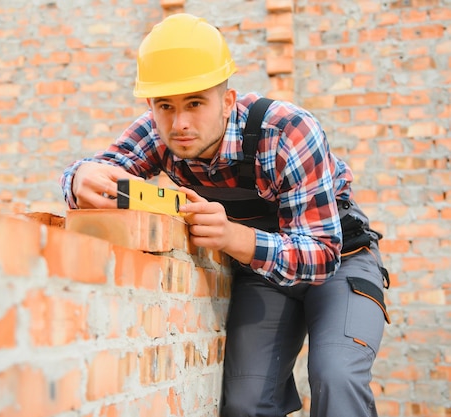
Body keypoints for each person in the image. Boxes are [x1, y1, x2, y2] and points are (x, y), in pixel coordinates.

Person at [60, 13, 390, 417]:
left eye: (196, 102)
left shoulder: (288, 130)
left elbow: (320, 254)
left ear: (227, 101)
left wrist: (233, 236)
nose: (180, 123)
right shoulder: (158, 129)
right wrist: (80, 177)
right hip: (263, 275)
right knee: (246, 402)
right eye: (165, 105)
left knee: (336, 376)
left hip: (341, 265)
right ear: (152, 105)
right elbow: (101, 172)